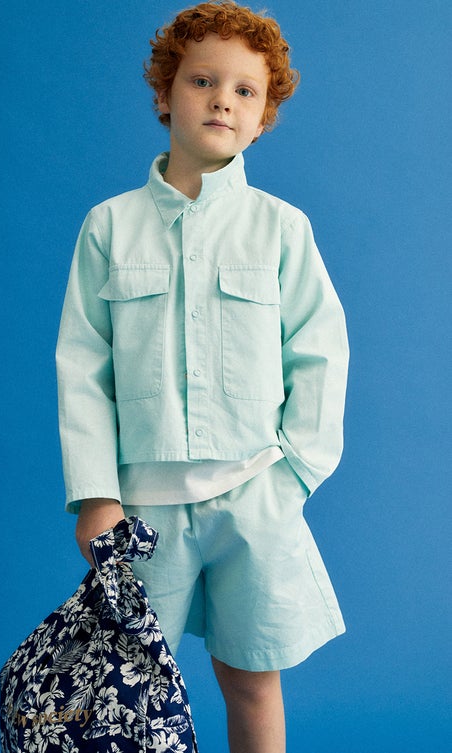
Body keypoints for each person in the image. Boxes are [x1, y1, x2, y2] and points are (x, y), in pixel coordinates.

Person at [56, 2, 349, 751]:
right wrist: (97, 495)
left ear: (262, 118)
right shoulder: (109, 227)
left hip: (253, 498)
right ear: (165, 93)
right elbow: (83, 366)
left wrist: (292, 477)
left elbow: (320, 352)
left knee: (252, 679)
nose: (223, 100)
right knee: (126, 689)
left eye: (245, 90)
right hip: (143, 511)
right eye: (202, 81)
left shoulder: (281, 229)